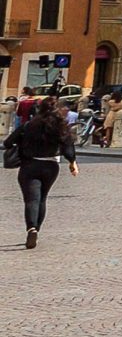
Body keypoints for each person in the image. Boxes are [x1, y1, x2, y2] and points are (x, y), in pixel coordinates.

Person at [6, 95, 78, 248]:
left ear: (39, 109)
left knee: (31, 199)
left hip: (30, 165)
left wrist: (22, 142)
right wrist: (72, 162)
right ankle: (37, 229)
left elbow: (8, 142)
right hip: (50, 166)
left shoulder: (29, 125)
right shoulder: (60, 126)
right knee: (42, 198)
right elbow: (68, 149)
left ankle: (31, 228)